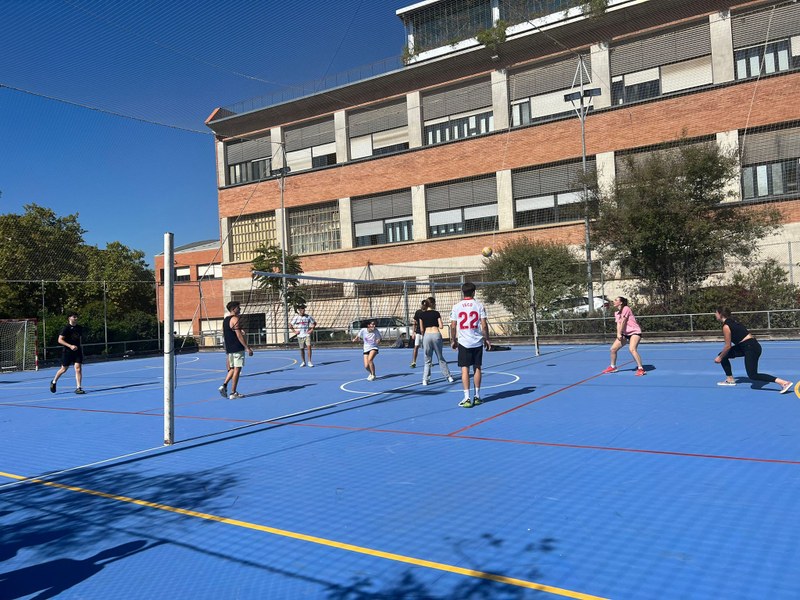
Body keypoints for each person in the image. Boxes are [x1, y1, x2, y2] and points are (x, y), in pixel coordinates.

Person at [714, 307, 793, 393]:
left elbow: (728, 346)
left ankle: (784, 383)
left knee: (753, 375)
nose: (715, 315)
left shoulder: (726, 326)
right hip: (748, 346)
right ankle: (730, 379)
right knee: (723, 355)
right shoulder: (734, 322)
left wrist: (720, 358)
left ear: (720, 314)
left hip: (750, 347)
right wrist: (722, 356)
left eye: (716, 313)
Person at [450, 282, 491, 408]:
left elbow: (453, 326)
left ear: (463, 292)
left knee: (465, 369)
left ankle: (467, 398)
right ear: (474, 292)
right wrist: (487, 339)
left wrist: (453, 340)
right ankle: (477, 396)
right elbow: (484, 325)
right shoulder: (479, 305)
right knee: (477, 367)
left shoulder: (456, 306)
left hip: (464, 342)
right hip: (477, 341)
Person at [602, 296, 646, 376]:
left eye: (616, 300)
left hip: (634, 332)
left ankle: (641, 369)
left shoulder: (626, 308)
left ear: (621, 302)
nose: (614, 301)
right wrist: (618, 334)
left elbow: (623, 321)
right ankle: (613, 367)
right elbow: (618, 324)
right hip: (625, 334)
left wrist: (619, 333)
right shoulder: (617, 313)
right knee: (613, 349)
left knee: (632, 349)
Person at [219, 301, 253, 399]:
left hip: (230, 348)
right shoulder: (235, 319)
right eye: (238, 307)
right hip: (237, 348)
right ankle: (233, 393)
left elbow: (229, 333)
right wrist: (247, 348)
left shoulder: (225, 320)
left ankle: (224, 385)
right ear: (234, 309)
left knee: (232, 369)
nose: (240, 309)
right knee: (237, 370)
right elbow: (238, 336)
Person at [419, 296, 454, 386]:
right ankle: (448, 377)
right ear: (433, 304)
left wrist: (424, 337)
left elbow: (421, 329)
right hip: (436, 334)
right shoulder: (436, 313)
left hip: (427, 335)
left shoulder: (421, 315)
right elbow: (441, 326)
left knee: (427, 359)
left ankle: (425, 380)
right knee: (440, 357)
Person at [50, 312, 85, 394]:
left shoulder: (79, 328)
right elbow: (60, 340)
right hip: (67, 352)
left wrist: (78, 347)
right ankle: (54, 381)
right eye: (74, 317)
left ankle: (78, 388)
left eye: (76, 317)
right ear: (69, 318)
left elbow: (78, 339)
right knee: (64, 369)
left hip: (77, 351)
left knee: (78, 368)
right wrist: (70, 346)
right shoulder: (66, 328)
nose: (76, 318)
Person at [410, 300, 425, 368]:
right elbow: (414, 323)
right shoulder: (418, 312)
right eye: (423, 304)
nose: (424, 306)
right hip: (418, 332)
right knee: (416, 347)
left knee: (427, 348)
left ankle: (428, 361)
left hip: (426, 332)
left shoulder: (428, 312)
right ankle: (414, 361)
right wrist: (413, 332)